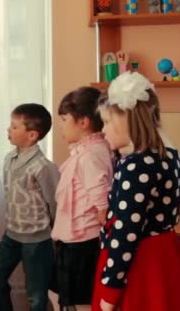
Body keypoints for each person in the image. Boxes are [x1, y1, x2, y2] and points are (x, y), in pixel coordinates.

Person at [92, 72, 180, 311]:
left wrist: (110, 288)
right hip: (166, 257)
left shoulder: (136, 165)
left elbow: (126, 231)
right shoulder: (170, 156)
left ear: (126, 119)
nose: (103, 131)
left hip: (140, 264)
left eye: (106, 122)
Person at [0, 103, 60, 311]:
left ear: (32, 135)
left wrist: (56, 236)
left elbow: (55, 203)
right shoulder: (9, 159)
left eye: (14, 126)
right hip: (12, 235)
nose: (8, 130)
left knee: (36, 296)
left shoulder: (43, 167)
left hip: (37, 240)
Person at [51, 87, 113, 310]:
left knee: (80, 300)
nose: (61, 125)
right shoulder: (90, 151)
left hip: (83, 242)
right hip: (75, 240)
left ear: (83, 122)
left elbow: (101, 198)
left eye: (64, 119)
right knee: (61, 294)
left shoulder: (90, 155)